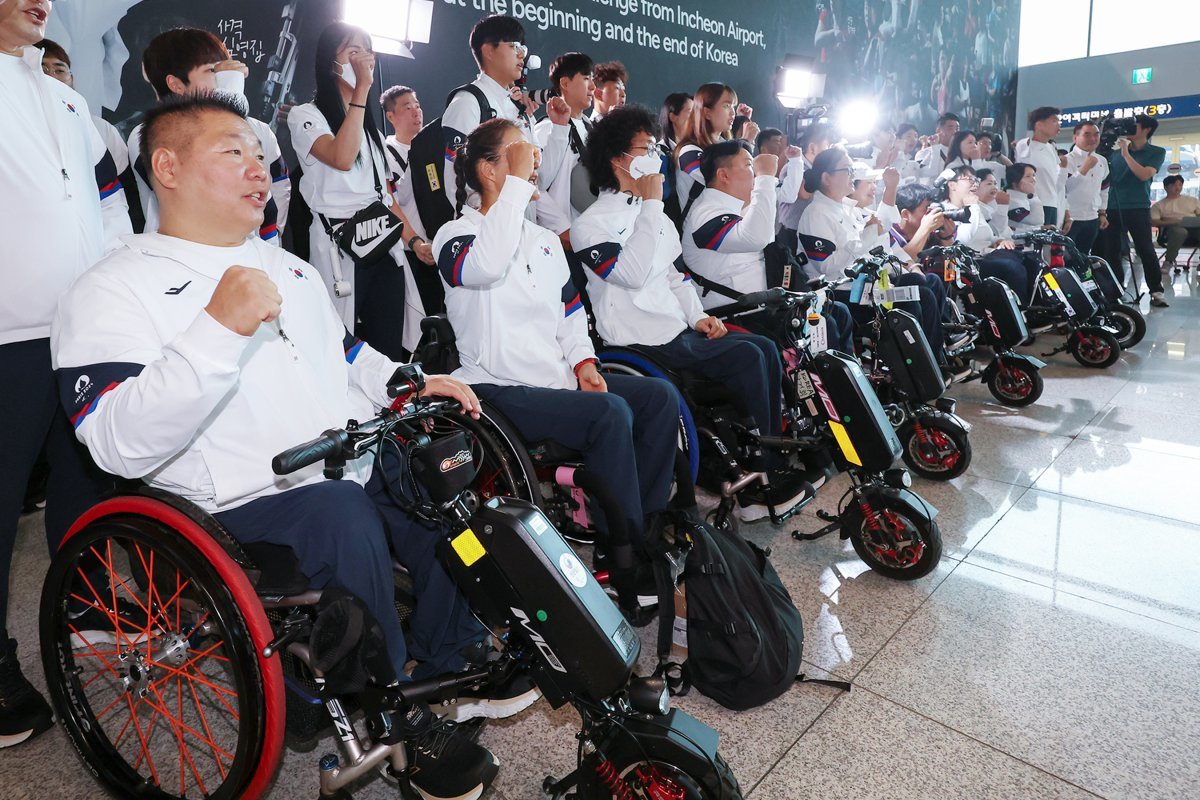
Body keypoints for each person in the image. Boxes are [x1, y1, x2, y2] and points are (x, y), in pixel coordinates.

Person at [52, 94, 518, 799]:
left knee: (440, 473)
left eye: (258, 153)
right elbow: (115, 441)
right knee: (338, 513)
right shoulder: (111, 287)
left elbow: (345, 350)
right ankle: (391, 715)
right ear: (167, 167)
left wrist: (411, 383)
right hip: (235, 506)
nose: (257, 167)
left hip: (340, 464)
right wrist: (217, 328)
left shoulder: (288, 267)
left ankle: (451, 663)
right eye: (231, 152)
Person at [434, 117, 680, 550]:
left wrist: (584, 362)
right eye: (519, 153)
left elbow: (570, 313)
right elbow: (488, 263)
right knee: (610, 414)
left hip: (555, 380)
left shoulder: (544, 240)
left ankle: (644, 520)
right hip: (497, 388)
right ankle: (623, 550)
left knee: (659, 397)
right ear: (488, 171)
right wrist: (513, 189)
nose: (534, 160)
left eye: (533, 152)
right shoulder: (455, 236)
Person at [572, 106, 812, 521]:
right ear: (617, 160)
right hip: (638, 341)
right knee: (749, 355)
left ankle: (765, 461)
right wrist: (649, 206)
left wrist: (699, 315)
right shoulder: (591, 224)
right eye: (645, 149)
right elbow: (628, 275)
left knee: (764, 348)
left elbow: (673, 275)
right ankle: (759, 479)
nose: (654, 157)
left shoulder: (652, 214)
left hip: (676, 329)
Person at [0, 0, 130, 749]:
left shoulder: (72, 99)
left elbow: (110, 208)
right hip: (7, 338)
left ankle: (85, 611)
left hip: (82, 333)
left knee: (86, 486)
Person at [288, 22, 429, 361]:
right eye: (352, 53)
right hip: (340, 245)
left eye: (366, 52)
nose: (363, 61)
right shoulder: (305, 115)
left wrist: (414, 242)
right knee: (340, 345)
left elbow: (386, 197)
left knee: (390, 347)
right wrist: (363, 89)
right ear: (330, 62)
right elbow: (341, 156)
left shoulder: (370, 129)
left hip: (384, 245)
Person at [128, 28, 290, 244]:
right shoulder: (145, 135)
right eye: (214, 71)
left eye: (230, 69)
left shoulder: (259, 129)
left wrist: (270, 243)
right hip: (178, 257)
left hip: (251, 255)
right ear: (176, 84)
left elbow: (278, 189)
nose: (226, 77)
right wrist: (229, 102)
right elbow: (198, 189)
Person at [803, 154, 959, 368]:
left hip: (869, 289)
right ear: (827, 178)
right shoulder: (816, 213)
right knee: (912, 299)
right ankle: (914, 369)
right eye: (846, 171)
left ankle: (931, 363)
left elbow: (882, 237)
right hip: (843, 293)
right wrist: (868, 234)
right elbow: (827, 267)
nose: (850, 175)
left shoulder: (847, 209)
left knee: (920, 287)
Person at [381, 84, 439, 343]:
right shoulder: (386, 152)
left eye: (417, 106)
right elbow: (390, 202)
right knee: (418, 328)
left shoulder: (432, 148)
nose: (416, 112)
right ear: (390, 116)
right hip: (409, 251)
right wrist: (414, 241)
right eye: (407, 107)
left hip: (437, 246)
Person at [1096, 114, 1168, 306]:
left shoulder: (1156, 152)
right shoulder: (1113, 154)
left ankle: (1156, 291)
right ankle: (1115, 290)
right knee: (1112, 251)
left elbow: (1144, 175)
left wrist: (1126, 154)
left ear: (1146, 129)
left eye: (1133, 125)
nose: (1127, 128)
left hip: (1138, 207)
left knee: (1145, 249)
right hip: (1112, 207)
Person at [533, 51, 594, 243]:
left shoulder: (591, 129)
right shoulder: (546, 129)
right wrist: (562, 228)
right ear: (565, 83)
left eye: (593, 79)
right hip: (562, 241)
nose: (593, 87)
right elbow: (534, 185)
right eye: (586, 79)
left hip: (592, 235)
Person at [777, 122, 833, 238]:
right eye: (827, 148)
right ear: (812, 148)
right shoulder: (793, 167)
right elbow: (803, 194)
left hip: (812, 231)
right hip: (791, 234)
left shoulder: (821, 170)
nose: (831, 154)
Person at [1062, 120, 1109, 257]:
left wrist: (1102, 213)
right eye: (1087, 135)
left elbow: (1104, 188)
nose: (1093, 139)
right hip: (1070, 218)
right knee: (1066, 258)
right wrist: (1084, 169)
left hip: (1092, 218)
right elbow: (1064, 189)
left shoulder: (1102, 160)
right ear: (1075, 138)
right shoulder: (1066, 160)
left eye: (1096, 134)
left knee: (1084, 257)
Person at [1014, 107, 1064, 227]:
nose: (1058, 125)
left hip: (1053, 204)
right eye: (1054, 121)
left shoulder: (1051, 148)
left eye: (1059, 121)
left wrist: (1065, 211)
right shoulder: (1025, 144)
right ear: (1039, 125)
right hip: (1035, 203)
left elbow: (1057, 182)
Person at [1151, 175, 1200, 271]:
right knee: (1180, 231)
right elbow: (1153, 221)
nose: (1177, 188)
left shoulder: (1192, 200)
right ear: (1166, 187)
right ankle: (1169, 261)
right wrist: (1172, 221)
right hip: (1172, 229)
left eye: (1180, 185)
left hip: (1194, 227)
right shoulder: (1159, 205)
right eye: (1173, 185)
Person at [915, 112, 960, 182]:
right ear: (939, 130)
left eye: (957, 128)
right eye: (950, 128)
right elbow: (922, 174)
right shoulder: (925, 152)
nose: (955, 131)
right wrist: (935, 148)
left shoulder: (962, 154)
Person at [1004, 162, 1045, 232]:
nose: (1033, 180)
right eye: (1028, 176)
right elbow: (1036, 220)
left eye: (1034, 175)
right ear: (1014, 181)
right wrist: (1033, 195)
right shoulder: (1010, 200)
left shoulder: (1025, 199)